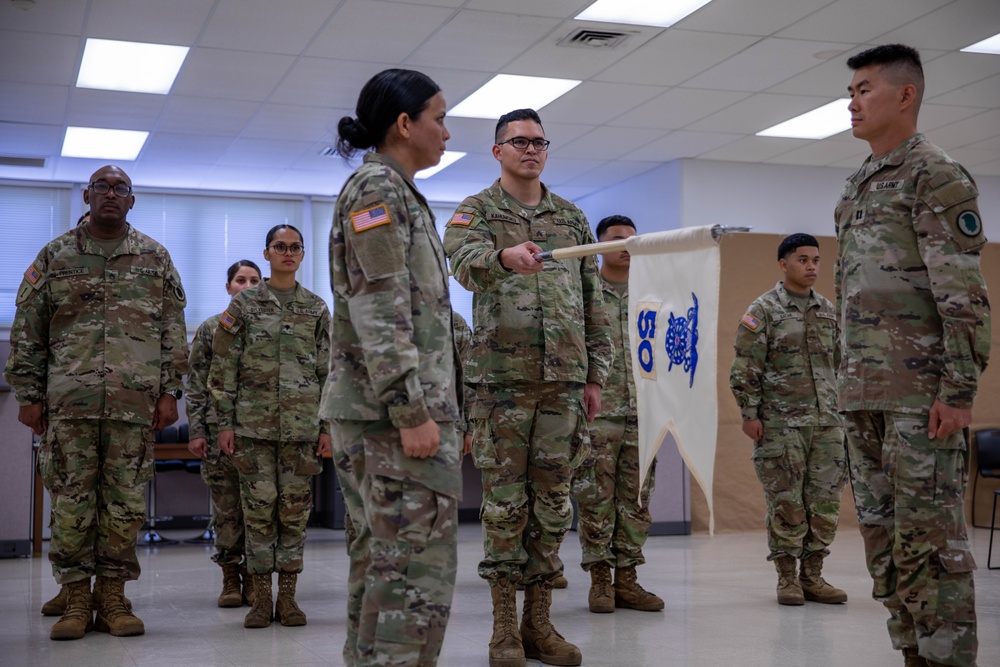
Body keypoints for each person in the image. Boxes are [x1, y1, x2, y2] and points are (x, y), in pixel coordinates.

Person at [837, 44, 991, 667]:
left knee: (932, 551)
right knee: (885, 549)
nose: (852, 101)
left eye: (864, 88)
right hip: (862, 399)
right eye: (850, 91)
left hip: (918, 403)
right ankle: (913, 657)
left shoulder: (937, 175)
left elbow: (964, 297)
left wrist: (957, 394)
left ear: (905, 95)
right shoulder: (857, 184)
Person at [443, 108, 612, 667]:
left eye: (539, 142)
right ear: (497, 151)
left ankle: (540, 625)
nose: (530, 150)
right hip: (502, 385)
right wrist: (502, 258)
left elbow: (594, 300)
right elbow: (462, 263)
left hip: (564, 385)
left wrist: (595, 376)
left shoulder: (571, 217)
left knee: (553, 504)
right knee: (505, 507)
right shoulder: (477, 211)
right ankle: (503, 632)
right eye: (519, 142)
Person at [4, 165, 188, 640]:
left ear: (132, 199)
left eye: (120, 187)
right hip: (71, 403)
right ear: (87, 195)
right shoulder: (56, 255)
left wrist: (170, 392)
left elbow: (172, 331)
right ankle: (75, 596)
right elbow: (29, 331)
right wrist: (28, 395)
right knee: (71, 502)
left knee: (125, 505)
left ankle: (112, 596)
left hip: (134, 405)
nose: (110, 193)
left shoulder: (155, 257)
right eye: (102, 187)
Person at [321, 68, 463, 667]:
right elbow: (381, 309)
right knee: (414, 581)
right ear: (404, 124)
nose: (447, 133)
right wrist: (413, 411)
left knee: (384, 570)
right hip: (391, 423)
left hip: (385, 417)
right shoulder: (377, 192)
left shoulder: (397, 194)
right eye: (438, 118)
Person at [208, 225, 331, 629]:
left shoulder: (316, 308)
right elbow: (223, 367)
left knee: (294, 516)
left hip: (301, 431)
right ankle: (262, 600)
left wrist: (327, 429)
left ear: (302, 254)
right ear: (267, 253)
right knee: (258, 515)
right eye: (281, 247)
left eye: (296, 247)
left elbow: (328, 373)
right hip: (252, 430)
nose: (289, 253)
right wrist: (224, 423)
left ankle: (289, 599)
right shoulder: (243, 307)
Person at [729, 233, 848, 607]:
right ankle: (787, 579)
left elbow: (841, 365)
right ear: (784, 264)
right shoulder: (763, 310)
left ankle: (813, 576)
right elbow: (745, 367)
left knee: (825, 504)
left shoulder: (828, 310)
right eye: (802, 260)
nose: (811, 266)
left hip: (827, 424)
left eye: (815, 260)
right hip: (781, 424)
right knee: (787, 504)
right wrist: (750, 414)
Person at [570, 215, 663, 615]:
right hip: (598, 416)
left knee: (637, 501)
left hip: (644, 416)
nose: (627, 245)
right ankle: (600, 582)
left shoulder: (653, 296)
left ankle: (628, 580)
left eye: (633, 239)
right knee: (595, 500)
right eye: (618, 239)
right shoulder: (583, 295)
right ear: (599, 245)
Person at [186, 259, 262, 608]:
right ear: (228, 286)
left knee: (262, 510)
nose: (246, 286)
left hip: (262, 435)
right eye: (240, 280)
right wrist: (198, 430)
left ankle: (256, 579)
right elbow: (197, 386)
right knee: (228, 511)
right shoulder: (210, 329)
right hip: (220, 437)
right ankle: (231, 579)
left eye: (253, 280)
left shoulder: (271, 330)